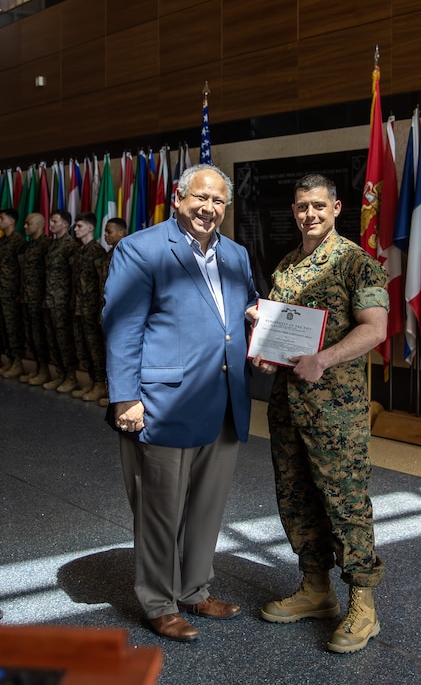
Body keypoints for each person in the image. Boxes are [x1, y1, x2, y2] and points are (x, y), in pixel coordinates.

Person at [102, 164, 257, 643]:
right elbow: (122, 327)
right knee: (159, 509)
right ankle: (158, 602)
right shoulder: (142, 248)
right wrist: (125, 397)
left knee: (207, 508)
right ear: (178, 197)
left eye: (218, 202)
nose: (208, 209)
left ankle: (194, 589)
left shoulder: (236, 254)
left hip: (225, 401)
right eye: (200, 198)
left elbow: (245, 310)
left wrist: (259, 327)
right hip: (162, 403)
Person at [253, 173, 389, 654]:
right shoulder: (288, 266)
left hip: (335, 410)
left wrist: (324, 360)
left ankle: (363, 605)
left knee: (345, 502)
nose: (308, 214)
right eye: (300, 208)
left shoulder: (357, 263)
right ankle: (316, 590)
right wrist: (263, 338)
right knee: (295, 496)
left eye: (317, 206)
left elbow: (375, 329)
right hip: (288, 407)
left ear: (335, 208)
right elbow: (285, 334)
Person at [43, 210, 79, 392]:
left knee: (64, 340)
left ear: (65, 224)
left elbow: (74, 275)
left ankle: (71, 377)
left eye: (55, 221)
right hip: (49, 299)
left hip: (62, 301)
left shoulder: (70, 245)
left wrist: (71, 299)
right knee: (53, 340)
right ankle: (60, 375)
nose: (51, 224)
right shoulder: (53, 245)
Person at [72, 212, 106, 402]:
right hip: (79, 306)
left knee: (95, 348)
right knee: (84, 347)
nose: (76, 229)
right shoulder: (80, 250)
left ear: (91, 228)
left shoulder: (96, 251)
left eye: (79, 226)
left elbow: (101, 280)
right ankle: (93, 382)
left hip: (92, 307)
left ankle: (100, 384)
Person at [96, 217, 127, 408]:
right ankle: (108, 390)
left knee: (119, 354)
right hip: (107, 310)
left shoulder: (127, 252)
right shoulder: (110, 254)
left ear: (122, 233)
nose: (106, 235)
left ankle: (118, 395)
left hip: (121, 314)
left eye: (109, 231)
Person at [19, 213, 52, 385]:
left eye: (28, 223)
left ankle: (45, 370)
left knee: (41, 336)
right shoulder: (29, 246)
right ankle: (39, 368)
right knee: (31, 335)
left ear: (39, 224)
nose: (25, 226)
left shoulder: (47, 245)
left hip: (41, 298)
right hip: (27, 296)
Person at [0, 209, 26, 379]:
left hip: (12, 292)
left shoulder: (19, 242)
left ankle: (17, 361)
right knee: (3, 328)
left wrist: (20, 291)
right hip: (2, 291)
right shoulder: (2, 241)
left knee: (13, 328)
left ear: (11, 221)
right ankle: (9, 359)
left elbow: (23, 269)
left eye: (2, 218)